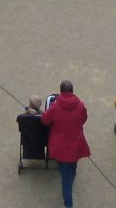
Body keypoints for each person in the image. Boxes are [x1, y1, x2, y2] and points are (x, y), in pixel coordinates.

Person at [40, 79, 90, 208]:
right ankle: (68, 189)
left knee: (65, 178)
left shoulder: (55, 106)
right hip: (76, 144)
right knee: (72, 169)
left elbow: (45, 120)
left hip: (60, 147)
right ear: (72, 91)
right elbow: (84, 118)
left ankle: (68, 204)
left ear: (61, 91)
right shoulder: (80, 105)